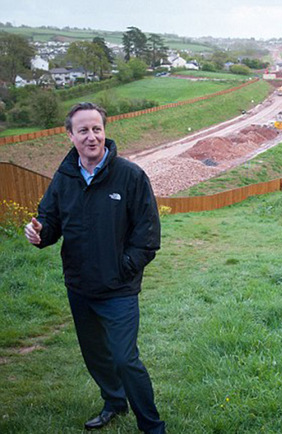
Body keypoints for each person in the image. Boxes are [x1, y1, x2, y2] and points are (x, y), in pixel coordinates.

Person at [24, 102, 165, 433]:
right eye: (83, 130)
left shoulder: (130, 176)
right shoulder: (65, 177)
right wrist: (39, 232)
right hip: (80, 288)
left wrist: (123, 268)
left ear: (105, 131)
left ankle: (152, 426)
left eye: (96, 129)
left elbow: (147, 234)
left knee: (125, 359)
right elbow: (51, 219)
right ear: (70, 135)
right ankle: (114, 403)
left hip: (118, 290)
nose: (91, 136)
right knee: (97, 357)